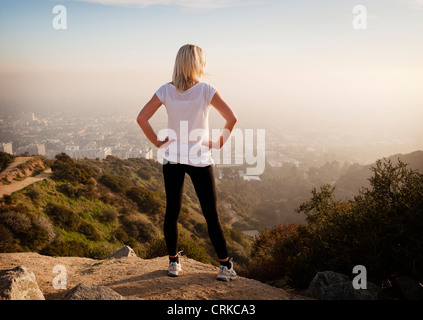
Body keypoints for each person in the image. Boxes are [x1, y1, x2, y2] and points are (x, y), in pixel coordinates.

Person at [137, 44, 238, 281]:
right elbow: (232, 118)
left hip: (172, 157)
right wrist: (217, 143)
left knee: (172, 212)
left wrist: (157, 142)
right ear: (198, 64)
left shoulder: (165, 90)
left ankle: (173, 263)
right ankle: (224, 266)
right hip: (200, 158)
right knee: (210, 214)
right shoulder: (206, 90)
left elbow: (142, 118)